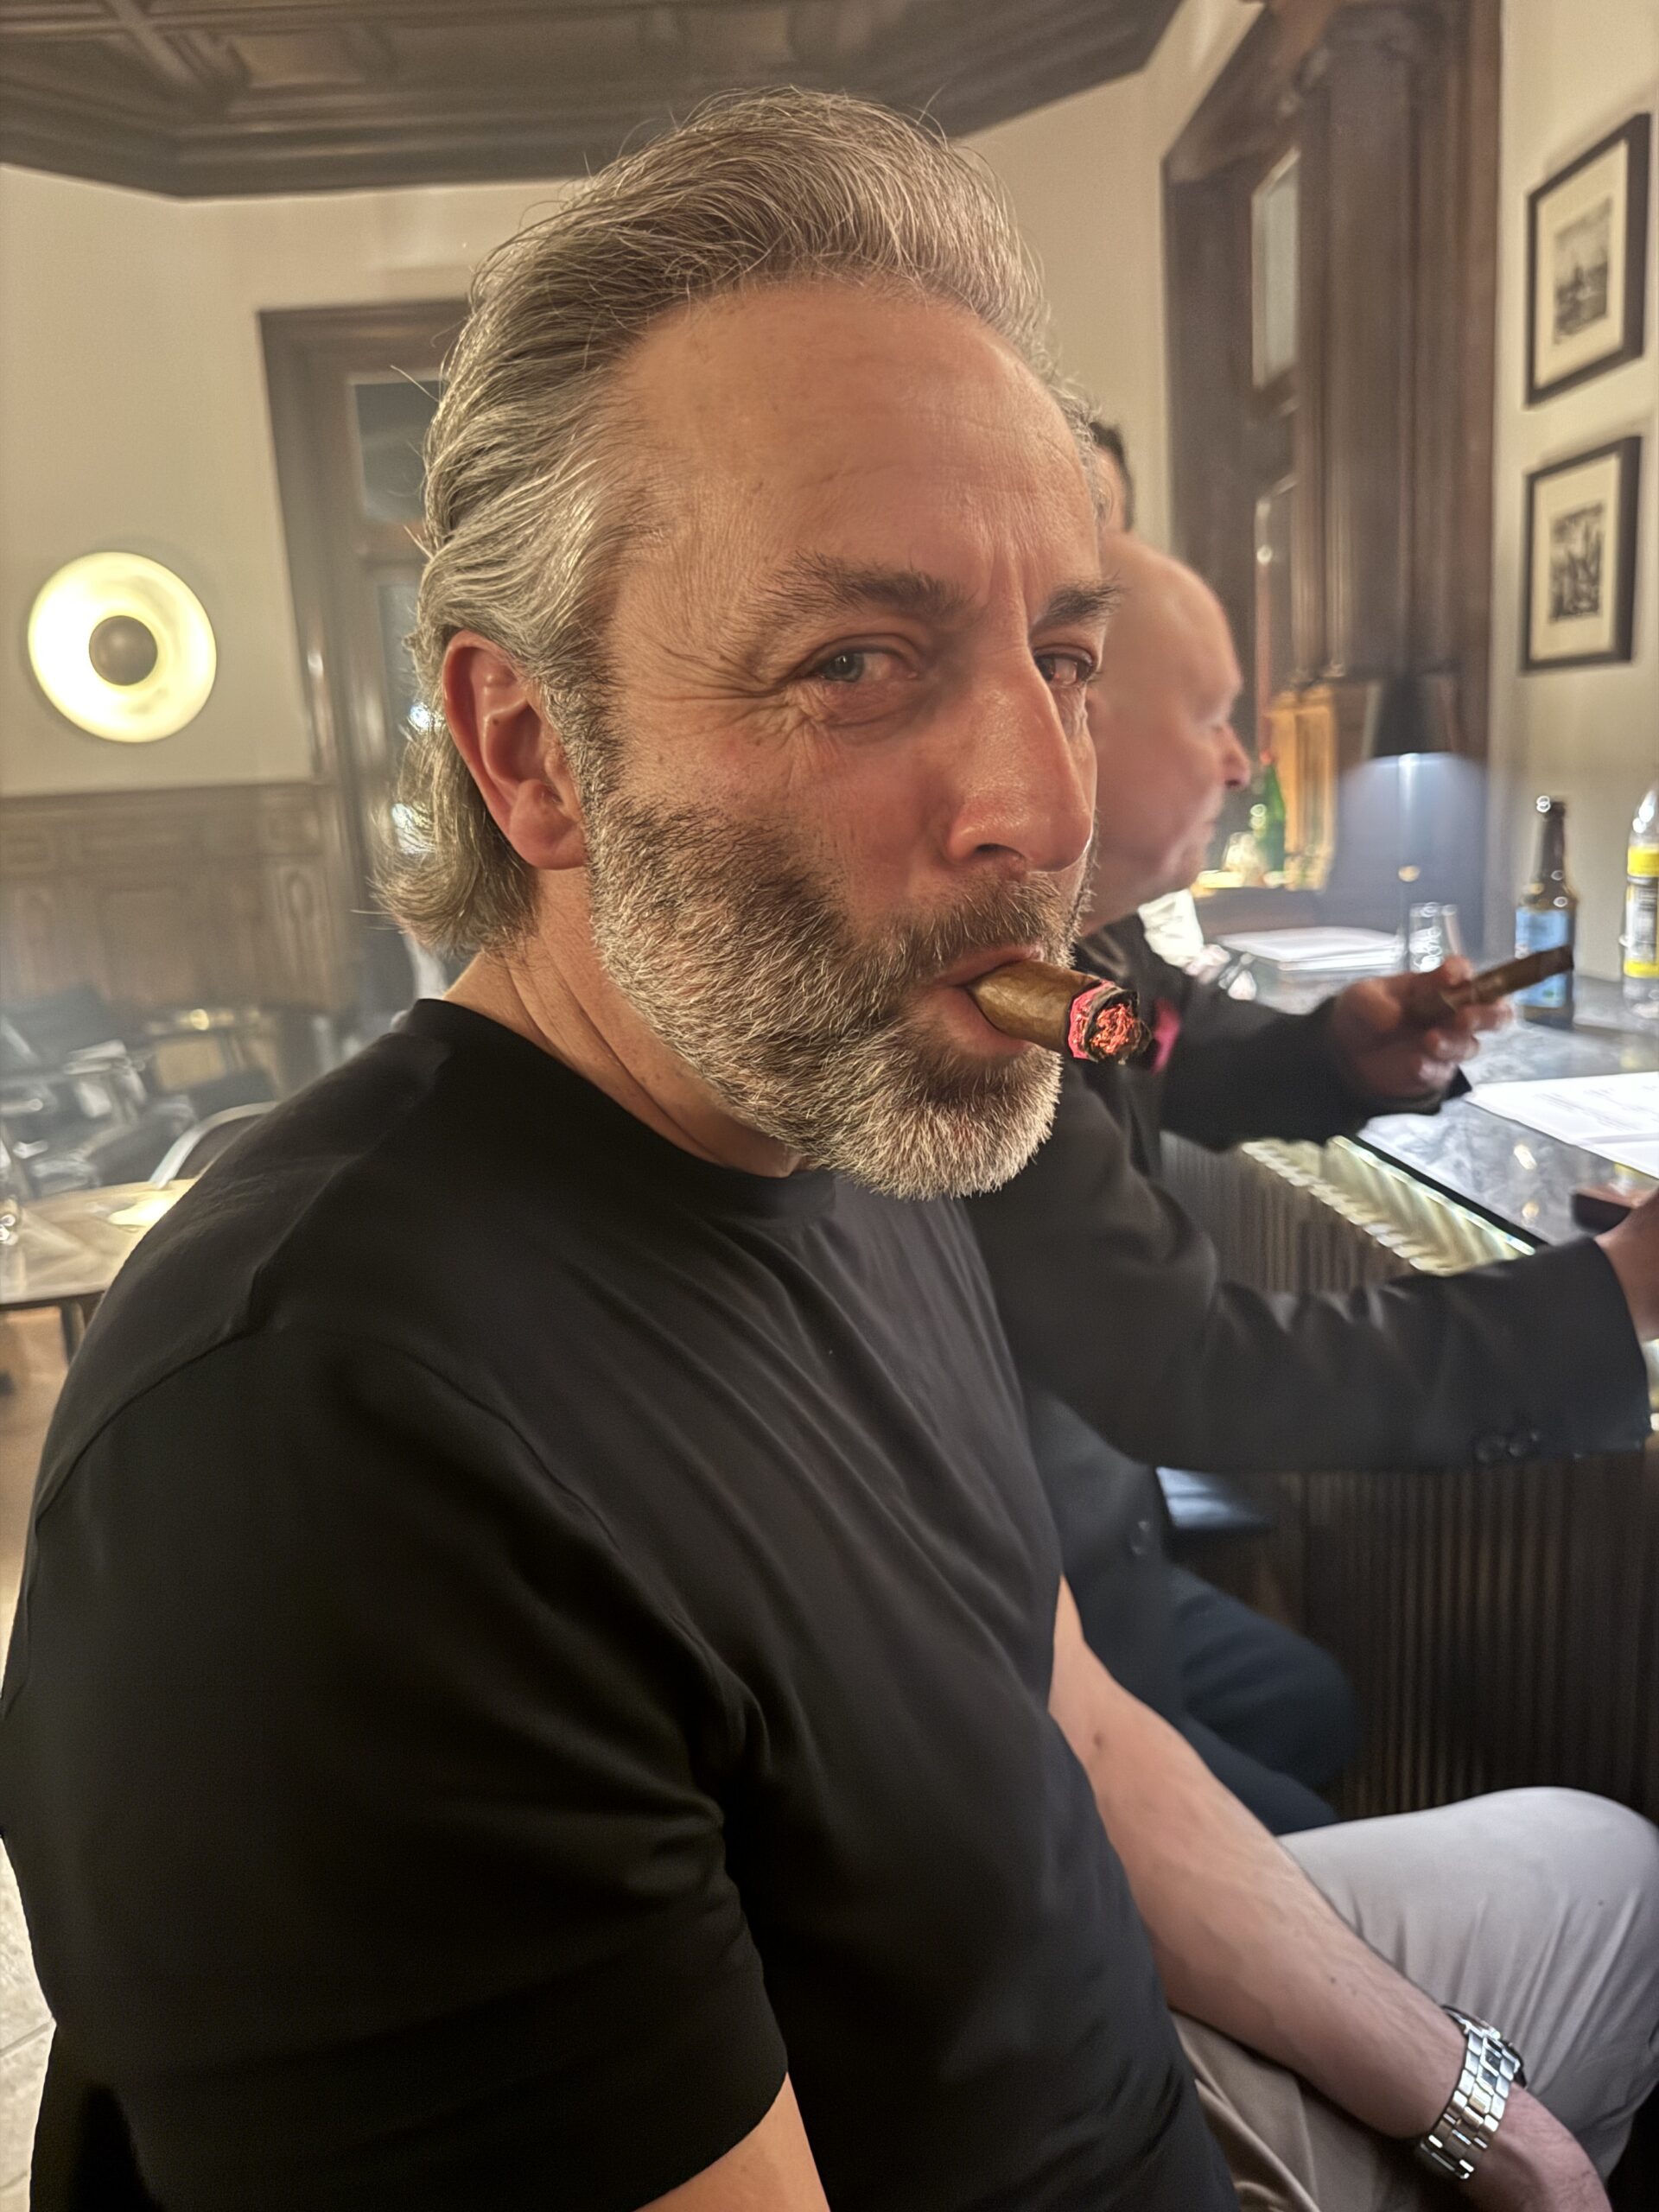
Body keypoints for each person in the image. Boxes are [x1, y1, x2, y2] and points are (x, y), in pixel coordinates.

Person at [3, 91, 1656, 2212]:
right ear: (530, 748)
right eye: (859, 662)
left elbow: (1067, 1715)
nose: (1045, 806)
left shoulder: (852, 1114)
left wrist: (1486, 2119)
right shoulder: (313, 1458)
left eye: (1063, 655)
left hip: (1155, 2071)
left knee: (1612, 1870)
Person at [969, 531, 1656, 1831]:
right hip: (1020, 1599)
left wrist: (1338, 1053)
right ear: (1077, 718)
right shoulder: (991, 1008)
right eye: (1214, 719)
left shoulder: (1083, 944)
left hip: (1093, 1523)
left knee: (1313, 1705)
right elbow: (1189, 1366)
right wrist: (1614, 1296)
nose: (1242, 763)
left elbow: (1163, 1046)